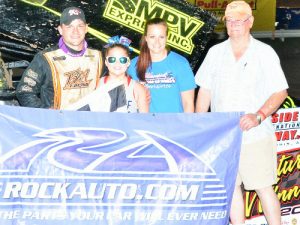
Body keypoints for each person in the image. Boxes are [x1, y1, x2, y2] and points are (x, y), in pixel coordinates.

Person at [195, 1, 288, 225]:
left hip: (255, 136)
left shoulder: (265, 53)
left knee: (263, 187)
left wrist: (259, 116)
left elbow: (280, 92)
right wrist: (199, 126)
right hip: (224, 137)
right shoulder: (215, 53)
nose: (234, 24)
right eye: (230, 20)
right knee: (231, 187)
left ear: (250, 22)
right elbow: (204, 92)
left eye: (240, 20)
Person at [16, 7, 103, 109]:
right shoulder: (45, 58)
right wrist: (45, 112)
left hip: (90, 122)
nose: (76, 31)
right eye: (69, 26)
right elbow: (24, 91)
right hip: (58, 123)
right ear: (61, 30)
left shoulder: (99, 57)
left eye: (80, 26)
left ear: (86, 28)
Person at [127, 17, 196, 113]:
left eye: (161, 37)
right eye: (152, 37)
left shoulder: (180, 63)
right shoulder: (133, 65)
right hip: (144, 125)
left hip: (174, 125)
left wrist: (186, 126)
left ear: (167, 37)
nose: (157, 42)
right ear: (146, 38)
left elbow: (188, 103)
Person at [66, 36, 149, 113]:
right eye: (112, 59)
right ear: (106, 62)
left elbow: (144, 121)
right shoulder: (98, 84)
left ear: (128, 62)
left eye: (122, 60)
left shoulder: (138, 88)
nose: (117, 63)